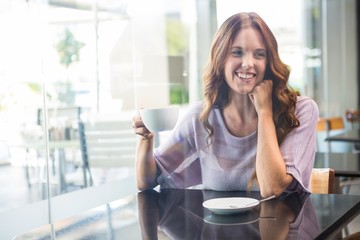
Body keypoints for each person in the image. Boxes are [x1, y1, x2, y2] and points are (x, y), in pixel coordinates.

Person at [132, 12, 319, 197]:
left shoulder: (301, 111)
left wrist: (265, 113)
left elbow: (272, 188)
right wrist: (146, 138)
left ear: (268, 61)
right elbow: (146, 181)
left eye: (259, 54)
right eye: (237, 52)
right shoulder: (202, 116)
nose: (248, 63)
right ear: (220, 58)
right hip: (220, 227)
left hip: (287, 226)